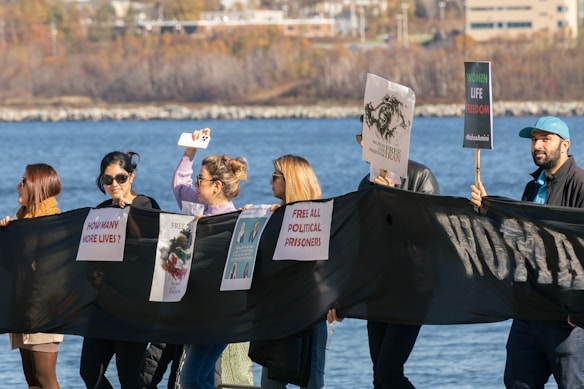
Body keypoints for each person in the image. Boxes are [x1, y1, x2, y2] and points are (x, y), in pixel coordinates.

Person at [470, 116, 584, 389]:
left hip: (568, 320)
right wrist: (490, 211)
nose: (537, 145)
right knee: (516, 384)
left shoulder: (580, 184)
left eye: (546, 139)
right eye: (534, 140)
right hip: (528, 315)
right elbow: (519, 238)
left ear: (565, 144)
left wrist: (580, 308)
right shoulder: (532, 187)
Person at [328, 114, 440, 389]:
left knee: (389, 372)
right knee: (380, 374)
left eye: (372, 139)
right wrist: (344, 298)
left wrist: (394, 199)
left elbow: (431, 235)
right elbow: (361, 247)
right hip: (377, 292)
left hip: (412, 290)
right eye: (363, 140)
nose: (366, 145)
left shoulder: (420, 176)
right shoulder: (365, 184)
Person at [169, 127, 253, 389]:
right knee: (202, 376)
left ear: (216, 186)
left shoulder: (233, 218)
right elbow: (178, 185)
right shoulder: (195, 203)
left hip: (220, 310)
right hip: (196, 307)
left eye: (200, 180)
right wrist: (191, 150)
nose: (195, 183)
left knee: (192, 378)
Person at [80, 151, 160, 389]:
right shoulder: (101, 210)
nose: (114, 184)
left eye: (120, 178)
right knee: (89, 372)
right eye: (108, 180)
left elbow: (154, 246)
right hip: (103, 305)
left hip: (133, 307)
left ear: (131, 177)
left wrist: (130, 215)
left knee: (129, 376)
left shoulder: (146, 204)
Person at [260, 154, 328, 389]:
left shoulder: (317, 219)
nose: (270, 182)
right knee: (272, 382)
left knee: (311, 381)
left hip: (309, 312)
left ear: (290, 180)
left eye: (274, 177)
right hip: (277, 312)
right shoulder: (273, 216)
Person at [1, 163, 64, 389]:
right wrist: (7, 236)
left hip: (44, 313)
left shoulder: (52, 224)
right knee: (32, 381)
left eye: (24, 182)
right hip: (23, 312)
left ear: (38, 186)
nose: (18, 186)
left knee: (46, 379)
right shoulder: (24, 222)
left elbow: (50, 270)